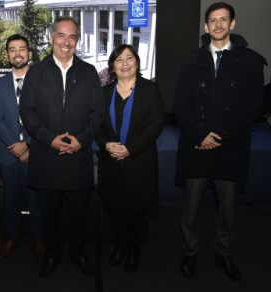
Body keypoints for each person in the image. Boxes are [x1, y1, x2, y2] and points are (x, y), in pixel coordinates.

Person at [173, 2, 266, 282]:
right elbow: (180, 103)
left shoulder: (251, 61)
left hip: (231, 147)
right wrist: (200, 135)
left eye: (224, 20)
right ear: (206, 26)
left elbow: (253, 107)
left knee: (228, 212)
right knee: (190, 209)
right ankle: (190, 252)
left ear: (232, 24)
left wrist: (220, 135)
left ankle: (223, 253)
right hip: (196, 145)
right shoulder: (190, 60)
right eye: (213, 20)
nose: (218, 25)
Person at [19, 16, 105, 277]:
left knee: (80, 214)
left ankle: (79, 254)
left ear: (77, 41)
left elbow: (98, 112)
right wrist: (49, 139)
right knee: (50, 214)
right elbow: (28, 111)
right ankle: (53, 254)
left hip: (78, 158)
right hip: (47, 157)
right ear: (51, 37)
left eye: (72, 37)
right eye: (62, 36)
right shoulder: (36, 71)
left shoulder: (89, 72)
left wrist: (82, 140)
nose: (67, 42)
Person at [96, 44, 165, 271]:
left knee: (135, 208)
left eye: (129, 58)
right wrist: (106, 144)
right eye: (119, 60)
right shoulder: (103, 93)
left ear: (137, 62)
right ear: (112, 67)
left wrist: (130, 148)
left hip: (139, 159)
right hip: (111, 160)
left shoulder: (150, 90)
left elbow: (155, 126)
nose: (124, 63)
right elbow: (95, 126)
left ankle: (134, 249)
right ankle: (120, 246)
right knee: (115, 207)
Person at [0, 34, 46, 261]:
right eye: (12, 50)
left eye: (22, 49)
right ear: (7, 56)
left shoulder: (41, 81)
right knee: (11, 198)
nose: (17, 54)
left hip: (35, 152)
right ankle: (12, 237)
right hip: (9, 153)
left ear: (29, 54)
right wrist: (17, 147)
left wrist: (29, 146)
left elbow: (46, 118)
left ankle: (40, 238)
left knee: (36, 198)